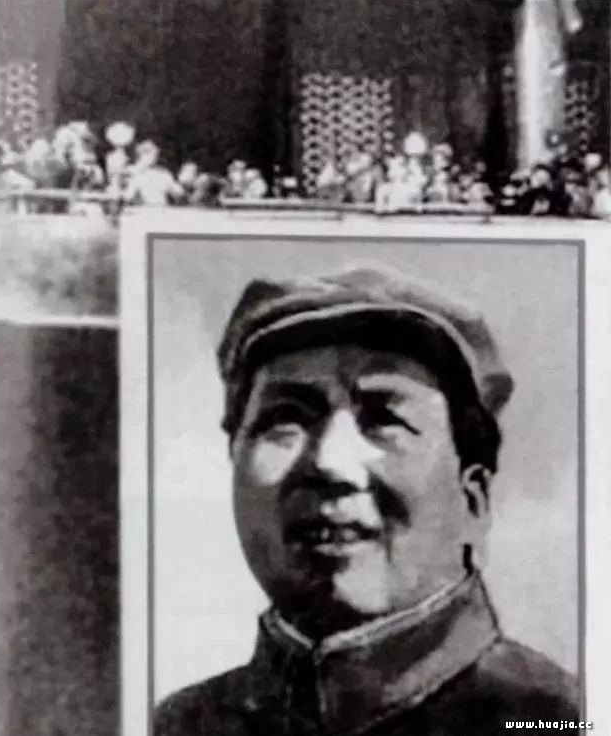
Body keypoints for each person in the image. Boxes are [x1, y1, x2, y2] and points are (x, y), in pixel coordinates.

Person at [155, 266, 580, 736]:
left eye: (384, 419)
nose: (329, 463)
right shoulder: (178, 724)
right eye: (285, 418)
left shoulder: (555, 718)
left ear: (473, 499)